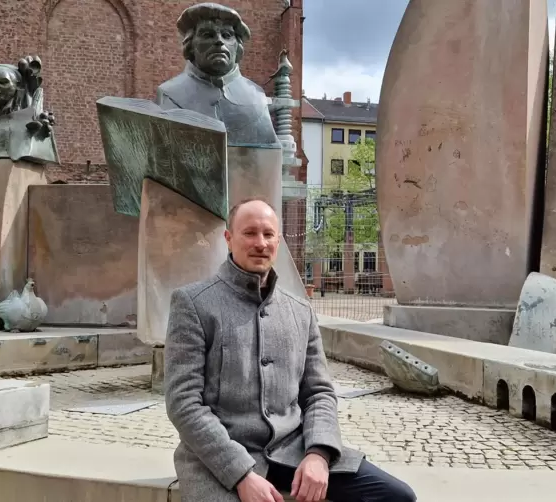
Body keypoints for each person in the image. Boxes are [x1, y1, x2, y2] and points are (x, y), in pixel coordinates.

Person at [164, 197, 417, 502]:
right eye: (250, 233)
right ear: (228, 238)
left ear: (278, 241)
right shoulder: (193, 304)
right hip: (221, 457)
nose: (260, 243)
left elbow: (319, 393)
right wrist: (241, 474)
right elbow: (183, 403)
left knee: (396, 496)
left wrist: (319, 453)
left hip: (292, 451)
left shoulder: (299, 310)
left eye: (268, 234)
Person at [155, 3, 280, 146]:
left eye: (227, 35)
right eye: (207, 34)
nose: (219, 41)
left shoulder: (256, 95)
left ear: (237, 46)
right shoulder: (170, 93)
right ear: (191, 45)